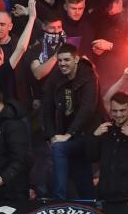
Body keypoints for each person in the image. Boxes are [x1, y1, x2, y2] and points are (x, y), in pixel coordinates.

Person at [41, 43, 100, 199]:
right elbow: (46, 108)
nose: (62, 64)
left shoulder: (88, 75)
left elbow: (88, 108)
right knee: (84, 184)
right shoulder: (56, 76)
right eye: (60, 60)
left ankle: (58, 200)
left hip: (87, 135)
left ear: (76, 59)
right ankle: (86, 204)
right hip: (67, 136)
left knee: (59, 149)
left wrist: (69, 134)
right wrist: (51, 136)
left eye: (66, 60)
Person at [85, 90, 128, 201]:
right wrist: (95, 136)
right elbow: (91, 157)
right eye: (114, 111)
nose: (118, 115)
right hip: (106, 197)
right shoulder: (106, 128)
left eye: (122, 110)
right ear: (110, 110)